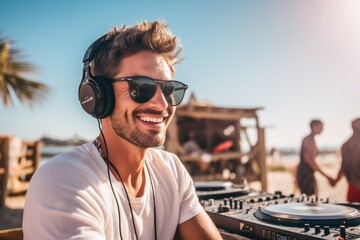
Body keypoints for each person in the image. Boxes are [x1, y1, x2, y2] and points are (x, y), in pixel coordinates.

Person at [23, 20, 222, 240]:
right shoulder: (63, 179)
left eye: (169, 89)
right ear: (100, 95)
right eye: (142, 86)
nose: (162, 104)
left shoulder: (172, 170)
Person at [296, 119, 334, 196]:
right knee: (310, 201)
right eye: (321, 126)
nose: (323, 129)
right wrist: (326, 176)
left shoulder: (311, 139)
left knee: (311, 200)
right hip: (305, 173)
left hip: (306, 172)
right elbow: (309, 160)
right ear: (314, 126)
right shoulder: (309, 139)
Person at [333, 118, 360, 202]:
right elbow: (344, 165)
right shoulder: (347, 145)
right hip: (354, 186)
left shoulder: (346, 144)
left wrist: (335, 181)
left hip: (353, 186)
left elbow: (343, 167)